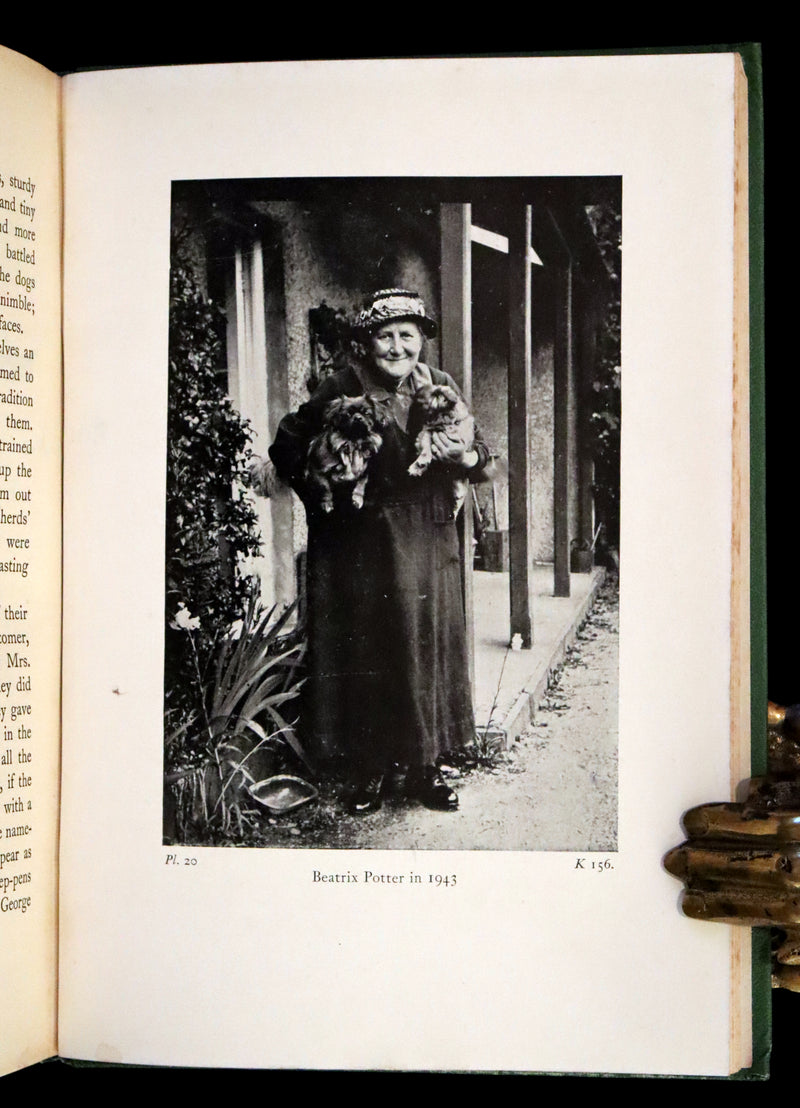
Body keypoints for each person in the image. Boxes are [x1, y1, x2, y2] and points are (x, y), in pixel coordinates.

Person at [269, 289, 492, 814]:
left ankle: (425, 768)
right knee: (369, 650)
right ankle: (368, 769)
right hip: (362, 542)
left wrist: (466, 455)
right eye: (385, 337)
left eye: (407, 336)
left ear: (421, 341)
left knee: (423, 648)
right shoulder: (341, 386)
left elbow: (482, 453)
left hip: (428, 538)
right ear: (368, 343)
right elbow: (287, 447)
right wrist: (327, 466)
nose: (396, 347)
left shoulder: (439, 386)